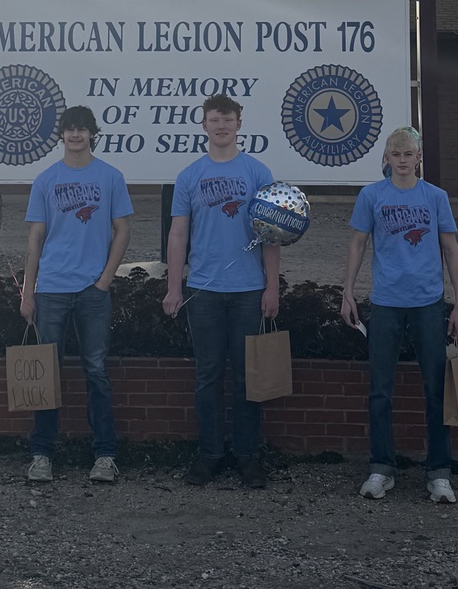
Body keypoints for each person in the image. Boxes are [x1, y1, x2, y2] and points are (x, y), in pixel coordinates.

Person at [341, 125, 458, 504]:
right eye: (395, 154)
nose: (402, 160)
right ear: (386, 159)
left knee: (435, 389)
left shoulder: (435, 197)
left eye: (408, 154)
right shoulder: (371, 196)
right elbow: (358, 243)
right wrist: (347, 291)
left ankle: (439, 472)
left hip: (428, 303)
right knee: (380, 390)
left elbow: (451, 249)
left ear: (418, 158)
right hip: (386, 303)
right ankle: (382, 468)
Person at [162, 94, 280, 489]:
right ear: (204, 125)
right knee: (208, 376)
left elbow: (272, 236)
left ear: (239, 124)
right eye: (214, 119)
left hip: (249, 291)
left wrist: (271, 287)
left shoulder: (258, 173)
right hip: (204, 292)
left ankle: (248, 457)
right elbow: (178, 234)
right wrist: (174, 287)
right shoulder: (189, 176)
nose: (221, 126)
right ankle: (209, 455)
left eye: (227, 119)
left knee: (249, 379)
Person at [20, 105, 133, 484]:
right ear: (61, 135)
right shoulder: (45, 180)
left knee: (96, 372)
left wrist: (104, 280)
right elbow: (35, 238)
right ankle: (41, 454)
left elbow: (123, 231)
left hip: (92, 291)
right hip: (51, 288)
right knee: (45, 375)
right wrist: (28, 291)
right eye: (70, 129)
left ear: (92, 134)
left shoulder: (111, 177)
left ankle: (105, 455)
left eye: (83, 129)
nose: (76, 135)